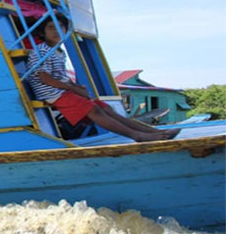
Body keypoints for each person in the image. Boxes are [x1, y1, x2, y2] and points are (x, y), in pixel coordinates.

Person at [26, 13, 179, 142]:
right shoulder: (42, 51)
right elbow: (45, 79)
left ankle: (153, 132)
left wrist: (77, 87)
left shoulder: (59, 52)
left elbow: (61, 77)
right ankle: (137, 135)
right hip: (51, 94)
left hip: (62, 91)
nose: (56, 31)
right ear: (42, 33)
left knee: (107, 109)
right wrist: (73, 88)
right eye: (51, 28)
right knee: (94, 110)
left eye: (60, 27)